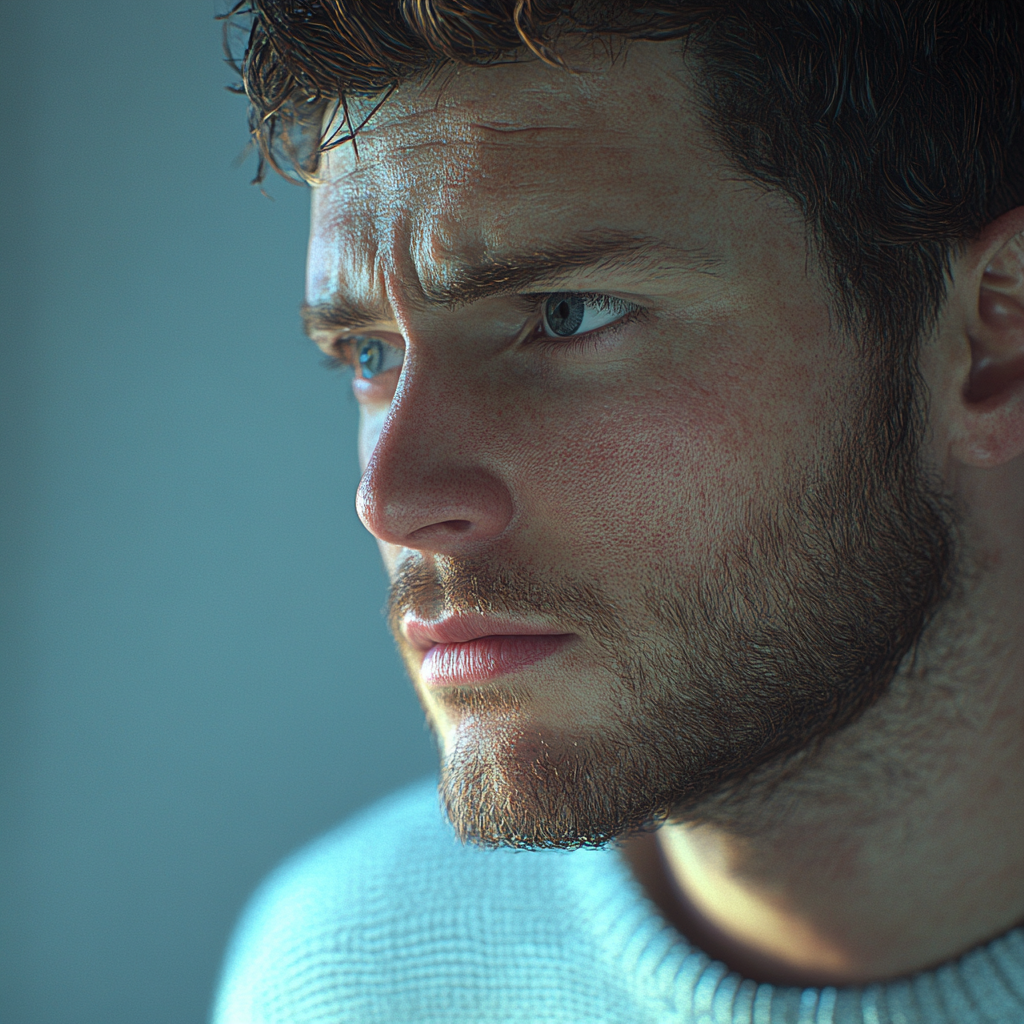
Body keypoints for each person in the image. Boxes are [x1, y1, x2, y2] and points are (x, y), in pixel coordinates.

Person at [211, 3, 1024, 1021]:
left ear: (993, 342)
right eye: (368, 354)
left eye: (565, 314)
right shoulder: (352, 972)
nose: (392, 501)